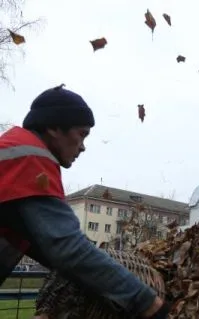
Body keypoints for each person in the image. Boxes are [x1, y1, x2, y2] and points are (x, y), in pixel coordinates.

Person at [0, 84, 170, 318]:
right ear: (53, 127)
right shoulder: (30, 159)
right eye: (81, 134)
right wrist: (147, 303)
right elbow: (68, 248)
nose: (82, 146)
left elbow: (50, 250)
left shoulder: (13, 151)